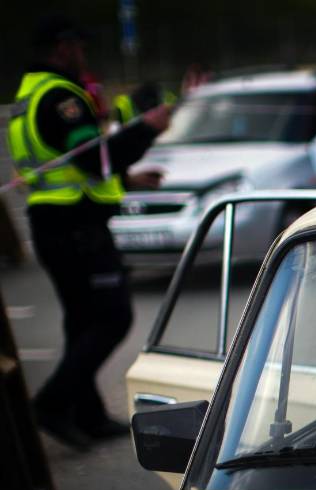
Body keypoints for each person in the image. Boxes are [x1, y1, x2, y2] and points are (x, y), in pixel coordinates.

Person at [7, 16, 171, 451]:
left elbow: (67, 168)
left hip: (55, 225)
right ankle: (52, 404)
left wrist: (130, 181)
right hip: (76, 229)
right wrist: (146, 130)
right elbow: (95, 161)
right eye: (79, 47)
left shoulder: (27, 95)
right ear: (62, 48)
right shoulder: (61, 97)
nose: (84, 56)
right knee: (113, 318)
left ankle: (88, 414)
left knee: (82, 322)